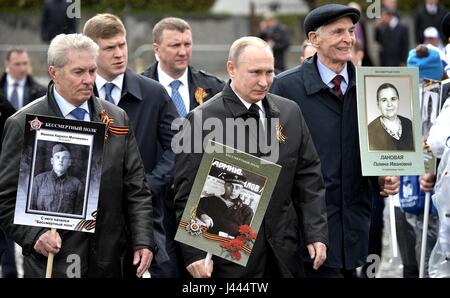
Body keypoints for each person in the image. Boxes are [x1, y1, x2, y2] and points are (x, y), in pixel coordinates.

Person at [0, 33, 156, 278]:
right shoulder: (23, 123)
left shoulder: (117, 118)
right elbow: (5, 198)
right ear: (54, 73)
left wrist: (144, 240)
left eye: (92, 71)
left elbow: (136, 187)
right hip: (52, 264)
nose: (88, 80)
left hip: (109, 261)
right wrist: (33, 236)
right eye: (78, 72)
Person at [174, 36, 328, 278]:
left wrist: (316, 233)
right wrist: (194, 253)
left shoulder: (290, 112)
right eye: (255, 72)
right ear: (231, 69)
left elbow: (308, 177)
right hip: (229, 260)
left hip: (284, 252)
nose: (264, 81)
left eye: (270, 72)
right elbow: (186, 192)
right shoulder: (201, 120)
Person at [270, 4, 400, 277]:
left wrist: (382, 174)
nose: (348, 39)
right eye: (338, 32)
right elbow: (274, 161)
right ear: (314, 39)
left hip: (357, 228)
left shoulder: (372, 87)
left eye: (351, 31)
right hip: (307, 234)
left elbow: (377, 149)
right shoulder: (285, 88)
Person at [83, 13, 178, 278]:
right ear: (92, 52)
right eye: (109, 48)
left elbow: (180, 145)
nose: (119, 54)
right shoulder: (80, 96)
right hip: (93, 218)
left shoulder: (153, 93)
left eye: (122, 45)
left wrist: (150, 184)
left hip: (144, 214)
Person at [142, 17, 225, 116]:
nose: (183, 52)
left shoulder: (215, 88)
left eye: (187, 44)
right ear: (157, 49)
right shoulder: (139, 89)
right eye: (175, 45)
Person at [30, 144, 84, 215]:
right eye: (57, 157)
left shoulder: (77, 184)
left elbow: (78, 212)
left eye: (64, 158)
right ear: (52, 161)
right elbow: (31, 208)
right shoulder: (38, 180)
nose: (60, 160)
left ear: (69, 162)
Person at [196, 173, 253, 238]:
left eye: (237, 188)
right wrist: (202, 214)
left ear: (241, 190)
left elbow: (245, 235)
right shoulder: (210, 200)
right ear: (225, 185)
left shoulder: (247, 211)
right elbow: (193, 205)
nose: (233, 190)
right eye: (230, 186)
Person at [368, 83, 414, 151]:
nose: (389, 104)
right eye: (384, 100)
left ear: (398, 100)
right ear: (378, 104)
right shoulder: (370, 131)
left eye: (393, 99)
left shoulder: (409, 124)